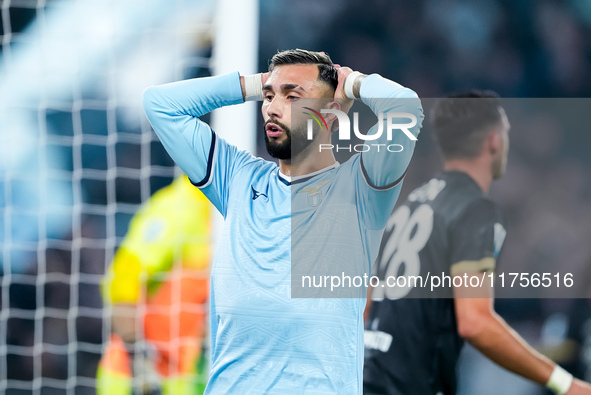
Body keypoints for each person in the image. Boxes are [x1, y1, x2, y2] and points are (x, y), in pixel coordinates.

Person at [142, 49, 423, 393]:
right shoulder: (237, 179)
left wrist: (353, 83)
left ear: (331, 113)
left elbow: (406, 108)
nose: (272, 107)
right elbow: (159, 104)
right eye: (270, 97)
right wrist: (256, 84)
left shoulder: (361, 188)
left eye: (293, 97)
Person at [363, 91, 591, 395]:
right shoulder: (475, 209)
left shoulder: (410, 206)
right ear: (494, 141)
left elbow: (367, 306)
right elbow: (474, 322)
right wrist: (565, 383)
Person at [97, 176, 211, 395]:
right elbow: (123, 277)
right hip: (136, 378)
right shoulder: (179, 207)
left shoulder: (236, 211)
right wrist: (140, 363)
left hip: (189, 377)